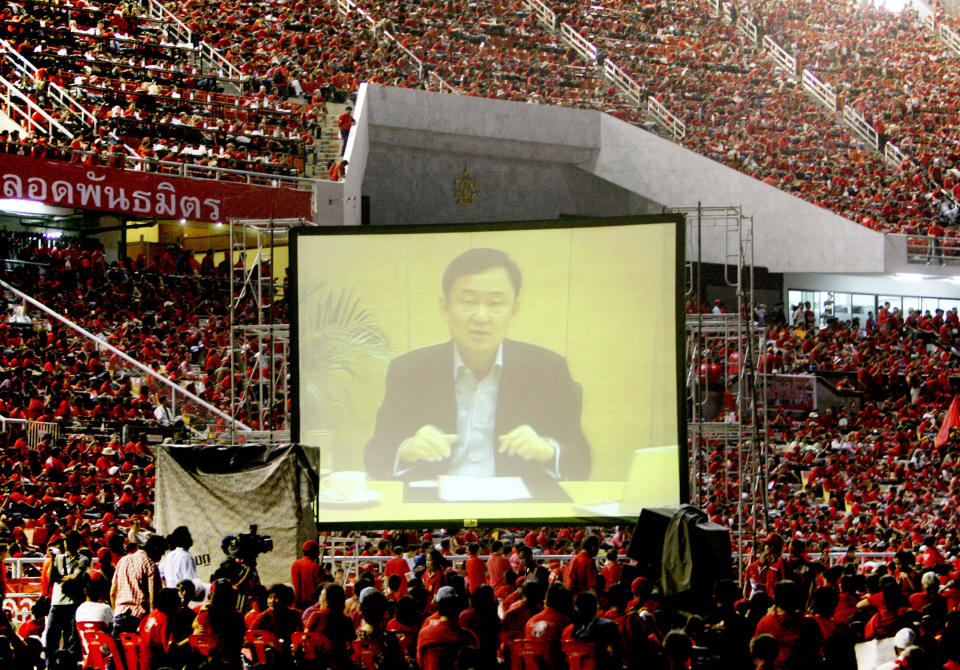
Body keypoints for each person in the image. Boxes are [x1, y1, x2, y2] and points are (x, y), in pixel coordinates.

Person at [364, 248, 591, 484]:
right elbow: (375, 457)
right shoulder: (410, 370)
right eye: (468, 301)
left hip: (515, 508)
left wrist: (547, 450)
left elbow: (581, 462)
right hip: (434, 504)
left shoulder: (547, 370)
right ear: (445, 307)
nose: (481, 316)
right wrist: (407, 449)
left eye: (495, 303)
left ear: (514, 309)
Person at [45, 532, 90, 667]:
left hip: (73, 603)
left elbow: (75, 577)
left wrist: (60, 578)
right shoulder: (58, 559)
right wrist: (52, 560)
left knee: (72, 637)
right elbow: (50, 578)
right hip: (57, 602)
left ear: (77, 544)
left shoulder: (83, 559)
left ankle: (70, 665)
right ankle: (50, 664)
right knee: (51, 636)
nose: (67, 545)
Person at [111, 534, 167, 635]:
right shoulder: (150, 565)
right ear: (155, 550)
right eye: (161, 554)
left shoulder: (122, 561)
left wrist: (116, 613)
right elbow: (153, 599)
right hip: (138, 619)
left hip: (119, 615)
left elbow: (112, 593)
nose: (160, 559)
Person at [159, 526, 206, 601]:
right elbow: (189, 582)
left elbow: (160, 573)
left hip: (170, 596)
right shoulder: (185, 556)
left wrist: (168, 585)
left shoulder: (170, 555)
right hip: (181, 598)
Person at [290, 540, 323, 610]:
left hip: (297, 604)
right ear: (314, 552)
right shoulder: (315, 567)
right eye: (317, 550)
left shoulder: (295, 564)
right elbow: (322, 587)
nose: (319, 553)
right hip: (311, 606)